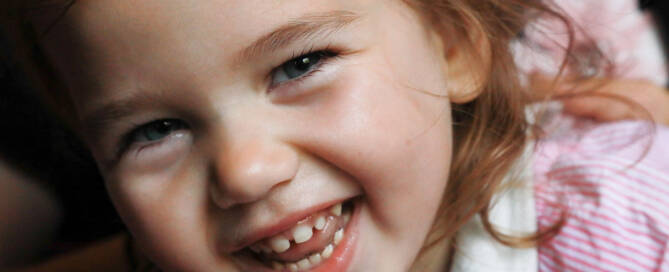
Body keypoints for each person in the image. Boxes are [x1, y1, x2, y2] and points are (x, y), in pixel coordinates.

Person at [1, 0, 668, 271]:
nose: (244, 171)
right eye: (155, 130)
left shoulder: (628, 229)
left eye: (300, 66)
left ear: (454, 46)